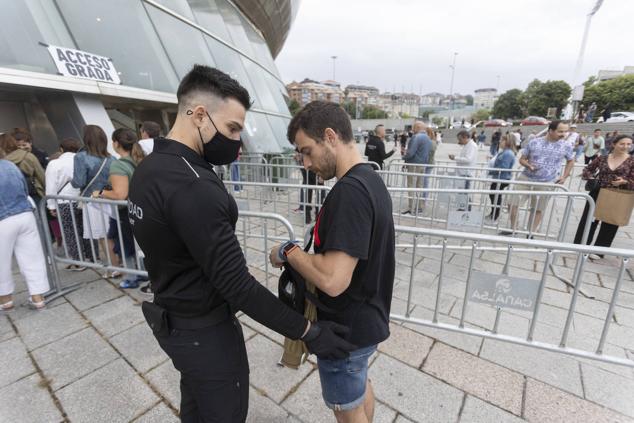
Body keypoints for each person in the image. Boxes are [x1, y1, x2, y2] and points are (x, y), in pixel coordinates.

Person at [127, 65, 354, 422]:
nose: (236, 139)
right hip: (207, 333)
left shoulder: (149, 169)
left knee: (196, 409)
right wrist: (309, 331)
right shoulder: (193, 185)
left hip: (174, 320)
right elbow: (237, 284)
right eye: (232, 127)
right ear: (199, 115)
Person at [270, 100, 395, 423]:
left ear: (330, 136)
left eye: (307, 151)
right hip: (364, 322)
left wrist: (289, 252)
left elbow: (332, 279)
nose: (305, 162)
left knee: (348, 410)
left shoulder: (349, 193)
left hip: (343, 332)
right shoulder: (370, 179)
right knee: (360, 389)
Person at [93, 128, 145, 288]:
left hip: (125, 212)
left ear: (116, 143)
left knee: (124, 243)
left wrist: (101, 193)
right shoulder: (139, 159)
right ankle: (142, 273)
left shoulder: (119, 165)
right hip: (140, 209)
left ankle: (132, 277)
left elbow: (120, 194)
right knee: (137, 243)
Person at [504, 121, 575, 237]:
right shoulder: (534, 142)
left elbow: (571, 160)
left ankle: (530, 232)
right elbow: (522, 159)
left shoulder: (566, 146)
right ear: (551, 130)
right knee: (512, 203)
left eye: (565, 131)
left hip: (547, 182)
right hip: (526, 178)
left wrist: (564, 177)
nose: (564, 134)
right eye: (560, 131)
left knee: (538, 209)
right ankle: (514, 228)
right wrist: (528, 165)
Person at [0, 149, 50, 311]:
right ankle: (38, 297)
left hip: (3, 220)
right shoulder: (10, 165)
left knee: (2, 262)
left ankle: (5, 300)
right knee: (33, 258)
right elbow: (24, 187)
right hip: (24, 214)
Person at [574, 135, 634, 257]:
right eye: (622, 144)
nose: (626, 146)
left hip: (618, 194)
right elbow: (587, 170)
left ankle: (599, 251)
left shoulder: (632, 161)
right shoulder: (603, 158)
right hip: (598, 192)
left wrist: (625, 181)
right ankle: (580, 244)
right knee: (589, 219)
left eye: (629, 144)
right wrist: (591, 178)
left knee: (610, 223)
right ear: (614, 144)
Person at [45, 138, 90, 270]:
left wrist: (51, 205)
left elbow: (51, 186)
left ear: (61, 149)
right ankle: (92, 256)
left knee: (70, 231)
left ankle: (78, 261)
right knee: (85, 229)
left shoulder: (55, 164)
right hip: (83, 199)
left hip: (64, 201)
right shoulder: (83, 160)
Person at [71, 125, 114, 263]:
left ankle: (114, 268)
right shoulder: (111, 158)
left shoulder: (81, 157)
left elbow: (79, 181)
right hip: (110, 198)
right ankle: (119, 264)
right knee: (112, 234)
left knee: (102, 236)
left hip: (92, 200)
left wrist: (71, 181)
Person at [0, 133, 45, 205]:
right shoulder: (28, 156)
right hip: (33, 194)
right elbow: (41, 175)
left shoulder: (2, 162)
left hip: (10, 198)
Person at [401, 121, 433, 214]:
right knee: (419, 186)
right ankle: (419, 206)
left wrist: (404, 157)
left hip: (413, 165)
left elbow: (410, 153)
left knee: (411, 186)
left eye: (414, 127)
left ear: (418, 127)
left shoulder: (416, 137)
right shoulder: (428, 138)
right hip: (423, 164)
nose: (412, 129)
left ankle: (411, 207)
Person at [487, 135, 516, 221]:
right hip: (499, 177)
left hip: (502, 178)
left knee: (495, 196)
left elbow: (504, 167)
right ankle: (494, 213)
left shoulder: (507, 153)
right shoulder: (505, 152)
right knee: (494, 195)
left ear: (507, 142)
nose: (500, 142)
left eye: (502, 140)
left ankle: (495, 214)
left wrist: (492, 171)